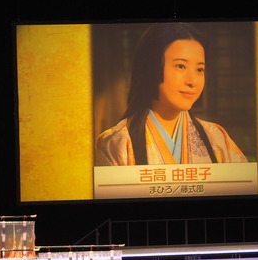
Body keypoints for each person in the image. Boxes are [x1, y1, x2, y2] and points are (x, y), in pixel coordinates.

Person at [95, 22, 248, 166]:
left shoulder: (217, 139)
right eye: (181, 66)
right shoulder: (117, 143)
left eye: (199, 69)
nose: (192, 81)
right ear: (152, 68)